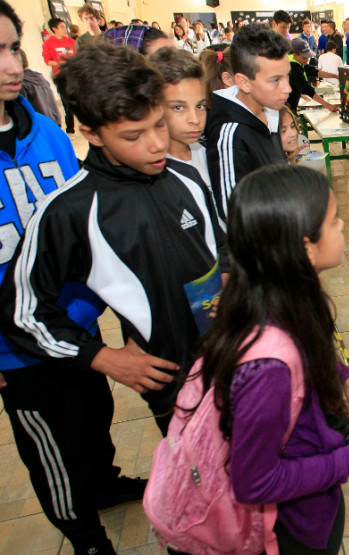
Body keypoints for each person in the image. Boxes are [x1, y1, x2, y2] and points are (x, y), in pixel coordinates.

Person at [0, 42, 226, 440]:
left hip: (228, 360)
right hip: (173, 388)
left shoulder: (185, 178)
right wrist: (104, 358)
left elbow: (220, 248)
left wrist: (227, 279)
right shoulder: (70, 212)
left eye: (159, 124)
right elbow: (22, 310)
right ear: (91, 133)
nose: (157, 144)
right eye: (133, 135)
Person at [196, 163, 349, 553]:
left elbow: (307, 345)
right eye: (335, 221)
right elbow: (254, 481)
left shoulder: (279, 295)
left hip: (316, 500)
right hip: (289, 530)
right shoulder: (266, 369)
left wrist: (342, 373)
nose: (343, 227)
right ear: (305, 248)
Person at [0, 5, 140, 554]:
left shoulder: (48, 138)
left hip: (76, 325)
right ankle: (85, 539)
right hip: (17, 351)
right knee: (52, 451)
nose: (12, 65)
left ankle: (104, 484)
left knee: (92, 419)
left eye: (13, 48)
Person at [206, 23, 289, 225]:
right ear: (243, 82)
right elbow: (233, 213)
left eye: (287, 76)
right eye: (275, 80)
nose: (287, 88)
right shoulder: (230, 135)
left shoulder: (270, 112)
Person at [149, 47, 214, 203]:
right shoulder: (152, 173)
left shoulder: (207, 154)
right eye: (178, 107)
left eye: (200, 106)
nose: (195, 119)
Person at [41, 17, 75, 133]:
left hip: (74, 75)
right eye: (62, 27)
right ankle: (70, 129)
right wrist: (60, 63)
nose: (65, 29)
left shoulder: (71, 42)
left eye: (65, 26)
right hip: (61, 76)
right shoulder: (48, 44)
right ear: (54, 29)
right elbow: (47, 61)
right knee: (67, 104)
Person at [288, 38, 338, 112]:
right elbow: (308, 89)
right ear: (295, 54)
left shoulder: (297, 61)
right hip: (286, 107)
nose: (307, 60)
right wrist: (328, 106)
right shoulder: (292, 67)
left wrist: (336, 76)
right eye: (304, 57)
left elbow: (315, 71)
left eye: (308, 56)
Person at [20, 51, 61, 125]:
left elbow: (23, 115)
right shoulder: (40, 77)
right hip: (54, 122)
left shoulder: (22, 84)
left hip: (39, 127)